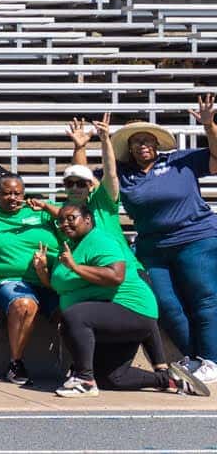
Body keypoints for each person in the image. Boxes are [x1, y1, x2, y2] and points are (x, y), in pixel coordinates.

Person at [80, 101, 217, 384]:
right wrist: (81, 146)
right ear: (128, 148)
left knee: (204, 299)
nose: (142, 145)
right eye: (136, 141)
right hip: (152, 247)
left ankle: (212, 360)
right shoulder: (122, 173)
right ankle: (194, 358)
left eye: (147, 140)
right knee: (164, 304)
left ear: (156, 143)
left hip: (196, 238)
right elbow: (83, 181)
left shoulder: (180, 160)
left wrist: (208, 126)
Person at [31, 200, 209, 398]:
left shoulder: (100, 240)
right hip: (106, 319)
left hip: (130, 310)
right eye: (61, 221)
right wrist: (43, 270)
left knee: (75, 316)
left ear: (88, 219)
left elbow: (116, 276)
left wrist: (75, 267)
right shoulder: (70, 247)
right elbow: (63, 285)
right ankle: (171, 381)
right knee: (112, 377)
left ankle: (84, 381)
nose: (65, 224)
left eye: (71, 218)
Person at [0, 172, 61, 385]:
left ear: (24, 194)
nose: (13, 198)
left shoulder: (42, 213)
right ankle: (15, 364)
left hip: (51, 280)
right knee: (24, 304)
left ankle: (80, 367)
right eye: (7, 193)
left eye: (17, 193)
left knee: (74, 310)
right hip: (9, 281)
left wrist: (46, 207)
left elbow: (72, 216)